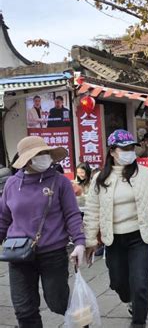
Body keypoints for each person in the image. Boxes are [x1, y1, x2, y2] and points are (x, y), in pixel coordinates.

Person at [84, 129, 148, 327]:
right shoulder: (100, 178)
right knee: (118, 282)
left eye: (132, 148)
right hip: (113, 239)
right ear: (112, 151)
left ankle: (138, 321)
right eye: (124, 148)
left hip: (140, 237)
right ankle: (129, 301)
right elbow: (92, 211)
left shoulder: (145, 175)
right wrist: (90, 241)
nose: (129, 152)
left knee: (140, 283)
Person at [0, 136, 85, 327]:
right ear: (27, 159)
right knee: (24, 309)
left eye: (46, 152)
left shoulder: (60, 182)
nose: (44, 157)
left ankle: (82, 320)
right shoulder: (12, 185)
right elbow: (3, 218)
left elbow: (72, 214)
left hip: (52, 253)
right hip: (18, 254)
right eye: (39, 154)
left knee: (58, 302)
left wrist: (79, 243)